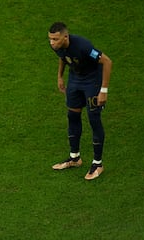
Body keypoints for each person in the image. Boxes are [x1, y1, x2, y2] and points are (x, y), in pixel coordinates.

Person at [48, 22, 112, 180]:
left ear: (65, 37)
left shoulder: (83, 46)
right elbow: (63, 57)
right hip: (75, 80)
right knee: (73, 116)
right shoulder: (57, 46)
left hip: (92, 82)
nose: (52, 42)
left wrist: (103, 91)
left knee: (93, 119)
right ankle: (75, 158)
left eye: (55, 39)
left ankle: (98, 164)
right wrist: (60, 77)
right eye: (50, 39)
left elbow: (107, 62)